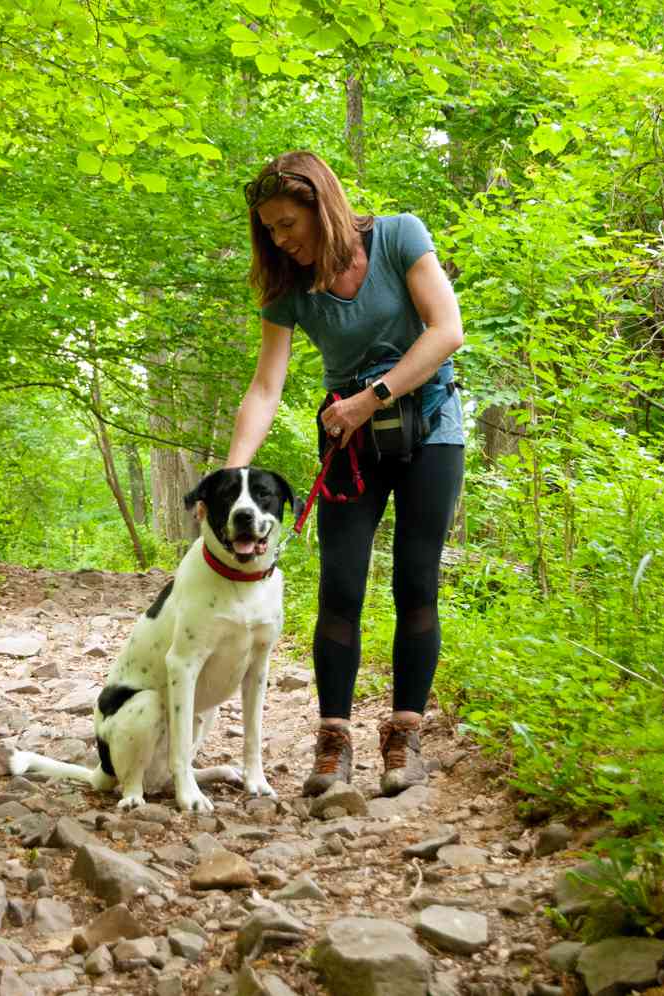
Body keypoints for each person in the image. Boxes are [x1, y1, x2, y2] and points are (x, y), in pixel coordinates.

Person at [223, 150, 465, 798]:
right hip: (349, 443)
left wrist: (372, 398)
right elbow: (266, 385)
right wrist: (231, 472)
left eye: (287, 224)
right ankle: (333, 741)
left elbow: (447, 331)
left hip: (430, 427)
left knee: (416, 582)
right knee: (340, 587)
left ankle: (404, 736)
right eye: (269, 229)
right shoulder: (287, 290)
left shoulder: (399, 237)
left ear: (320, 205)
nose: (280, 239)